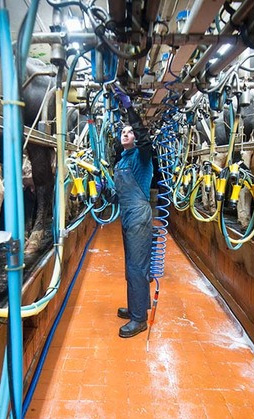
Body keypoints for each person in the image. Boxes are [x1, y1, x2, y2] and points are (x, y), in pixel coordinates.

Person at [112, 86, 154, 338]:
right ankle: (136, 306)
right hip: (126, 214)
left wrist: (129, 109)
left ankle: (139, 320)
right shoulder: (122, 160)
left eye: (130, 132)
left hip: (138, 215)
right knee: (131, 266)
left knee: (138, 267)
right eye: (123, 131)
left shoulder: (141, 156)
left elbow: (144, 137)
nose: (126, 134)